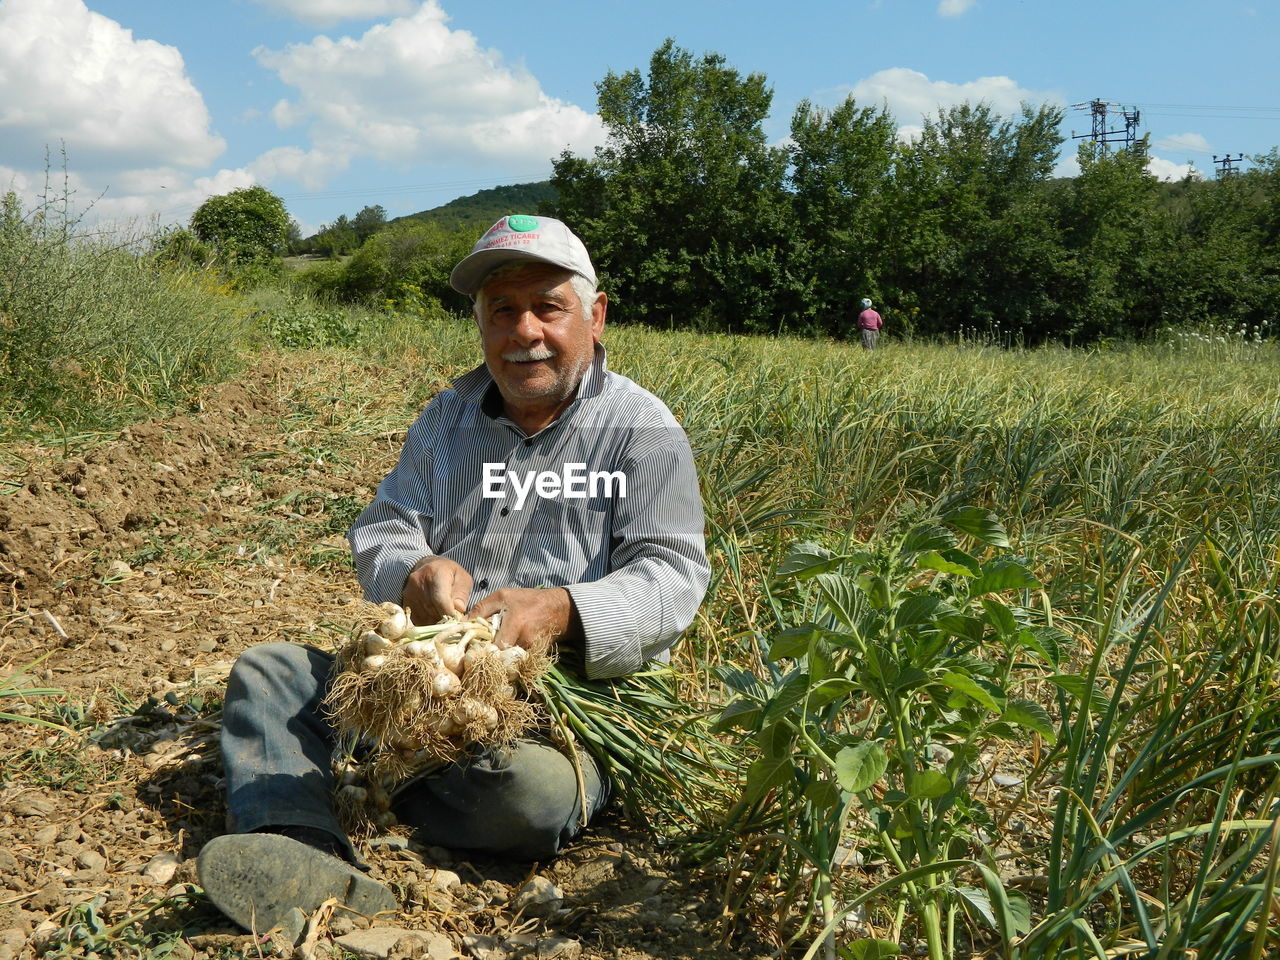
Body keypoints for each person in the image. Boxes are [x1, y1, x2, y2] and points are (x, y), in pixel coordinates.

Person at [197, 214, 710, 937]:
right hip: (428, 673)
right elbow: (384, 523)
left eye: (547, 307)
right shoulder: (447, 417)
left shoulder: (641, 429)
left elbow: (673, 573)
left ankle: (372, 782)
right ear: (480, 323)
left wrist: (565, 609)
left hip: (546, 706)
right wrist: (415, 570)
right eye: (502, 309)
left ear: (595, 317)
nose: (523, 330)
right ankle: (304, 845)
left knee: (528, 793)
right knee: (269, 673)